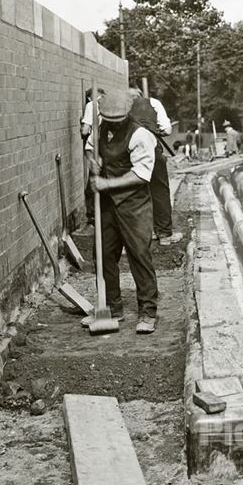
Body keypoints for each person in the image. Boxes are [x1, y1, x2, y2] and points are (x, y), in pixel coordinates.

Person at [85, 88, 159, 334]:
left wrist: (107, 183)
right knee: (104, 254)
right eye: (108, 120)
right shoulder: (101, 127)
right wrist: (92, 160)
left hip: (133, 204)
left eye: (116, 121)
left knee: (139, 255)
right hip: (107, 204)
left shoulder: (140, 135)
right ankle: (112, 307)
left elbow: (141, 174)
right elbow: (89, 145)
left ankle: (148, 312)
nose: (112, 125)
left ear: (126, 115)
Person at [127, 88, 182, 246]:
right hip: (151, 151)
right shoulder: (153, 103)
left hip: (129, 153)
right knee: (160, 191)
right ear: (141, 96)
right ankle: (164, 234)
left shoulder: (121, 106)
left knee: (134, 194)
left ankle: (140, 234)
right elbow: (166, 129)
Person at [79, 88, 105, 227]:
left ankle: (93, 216)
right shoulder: (109, 104)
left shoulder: (91, 105)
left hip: (94, 146)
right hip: (109, 147)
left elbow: (85, 129)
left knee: (93, 179)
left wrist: (82, 129)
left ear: (89, 98)